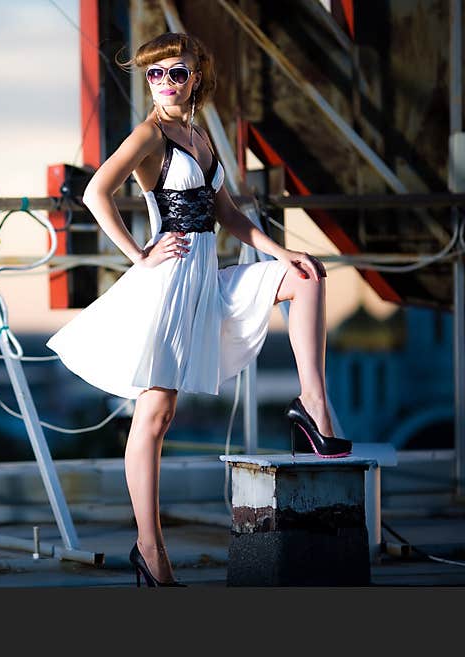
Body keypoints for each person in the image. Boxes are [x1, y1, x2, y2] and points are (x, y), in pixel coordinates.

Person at [45, 32, 352, 587]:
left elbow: (228, 212)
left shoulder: (199, 134)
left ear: (197, 77)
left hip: (205, 282)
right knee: (156, 415)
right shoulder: (150, 134)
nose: (164, 82)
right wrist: (139, 254)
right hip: (167, 286)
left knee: (306, 278)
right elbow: (95, 192)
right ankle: (150, 549)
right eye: (154, 74)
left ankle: (312, 409)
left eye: (175, 72)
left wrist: (283, 251)